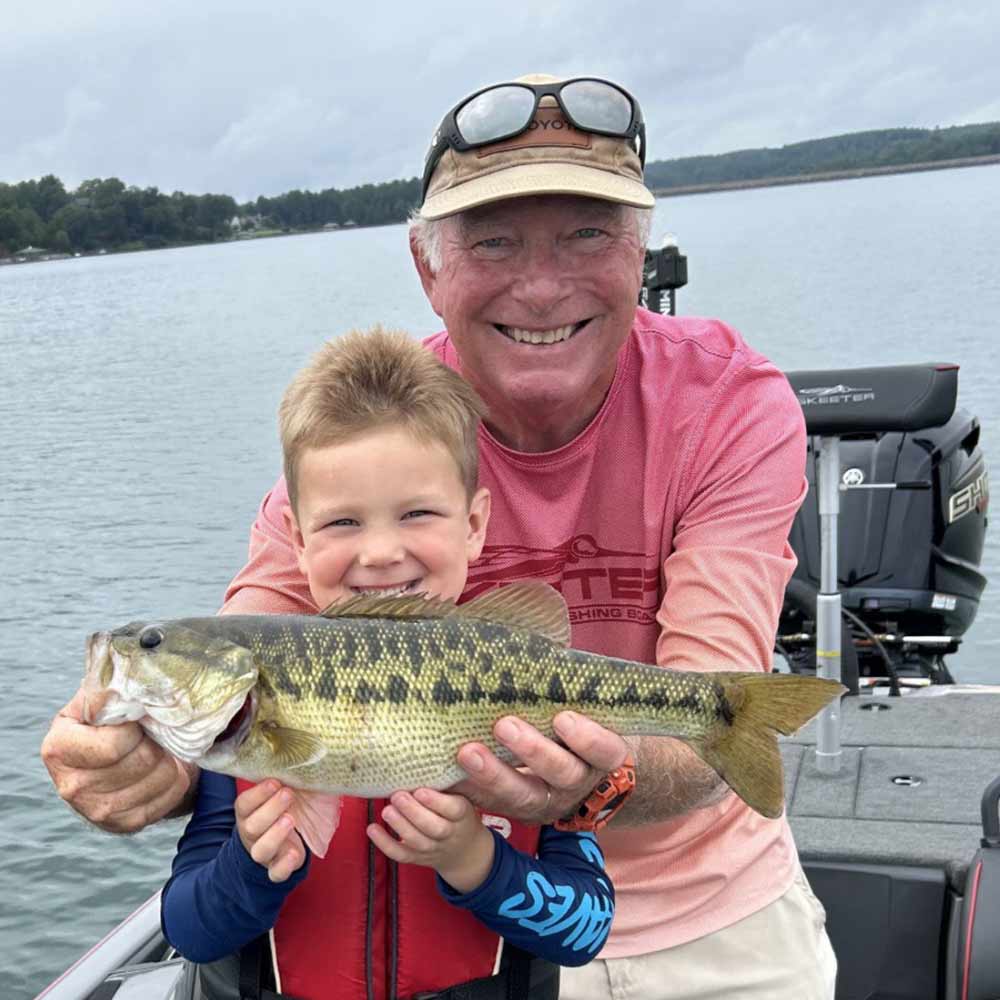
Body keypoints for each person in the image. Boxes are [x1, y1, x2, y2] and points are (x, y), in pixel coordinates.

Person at [43, 73, 836, 999]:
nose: (542, 285)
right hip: (482, 954)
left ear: (640, 253)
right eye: (494, 241)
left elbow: (712, 729)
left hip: (699, 908)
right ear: (429, 270)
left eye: (588, 233)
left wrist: (582, 789)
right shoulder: (371, 431)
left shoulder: (729, 405)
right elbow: (260, 644)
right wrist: (152, 765)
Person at [160, 327, 613, 998]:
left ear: (474, 525)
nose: (379, 553)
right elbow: (188, 929)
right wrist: (251, 865)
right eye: (342, 522)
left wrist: (476, 862)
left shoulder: (530, 701)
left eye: (417, 513)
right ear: (296, 538)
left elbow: (586, 929)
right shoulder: (249, 720)